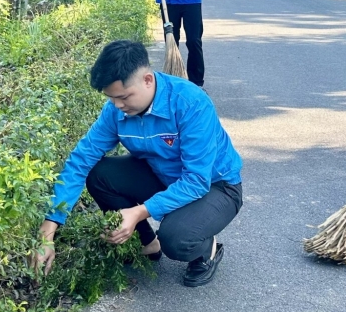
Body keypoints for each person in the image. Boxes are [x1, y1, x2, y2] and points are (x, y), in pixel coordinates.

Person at [31, 40, 243, 287]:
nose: (117, 106)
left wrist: (138, 211)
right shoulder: (116, 110)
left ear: (147, 80)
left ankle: (206, 250)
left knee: (176, 238)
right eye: (111, 98)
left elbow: (196, 180)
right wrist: (48, 229)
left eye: (123, 97)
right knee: (100, 174)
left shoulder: (190, 103)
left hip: (215, 187)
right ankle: (147, 244)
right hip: (162, 175)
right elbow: (81, 160)